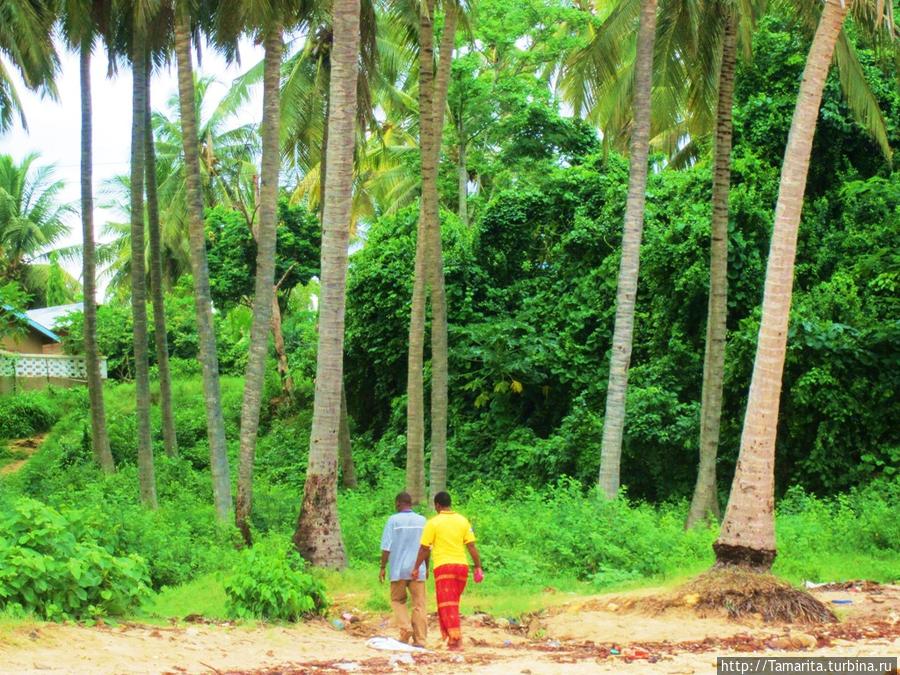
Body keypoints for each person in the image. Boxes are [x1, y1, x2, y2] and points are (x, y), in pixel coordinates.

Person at [411, 491, 483, 651]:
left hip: (444, 567)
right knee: (453, 604)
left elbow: (424, 548)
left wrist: (416, 567)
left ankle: (455, 640)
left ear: (437, 505)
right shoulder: (463, 521)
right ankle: (452, 638)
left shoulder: (433, 523)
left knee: (446, 605)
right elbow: (471, 546)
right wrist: (478, 566)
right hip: (462, 568)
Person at [379, 492, 427, 646]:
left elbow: (386, 547)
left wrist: (382, 567)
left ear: (398, 503)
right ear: (410, 503)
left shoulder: (393, 521)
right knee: (419, 604)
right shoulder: (422, 521)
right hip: (417, 569)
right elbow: (427, 547)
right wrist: (427, 566)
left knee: (397, 600)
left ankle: (406, 629)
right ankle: (420, 639)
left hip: (398, 569)